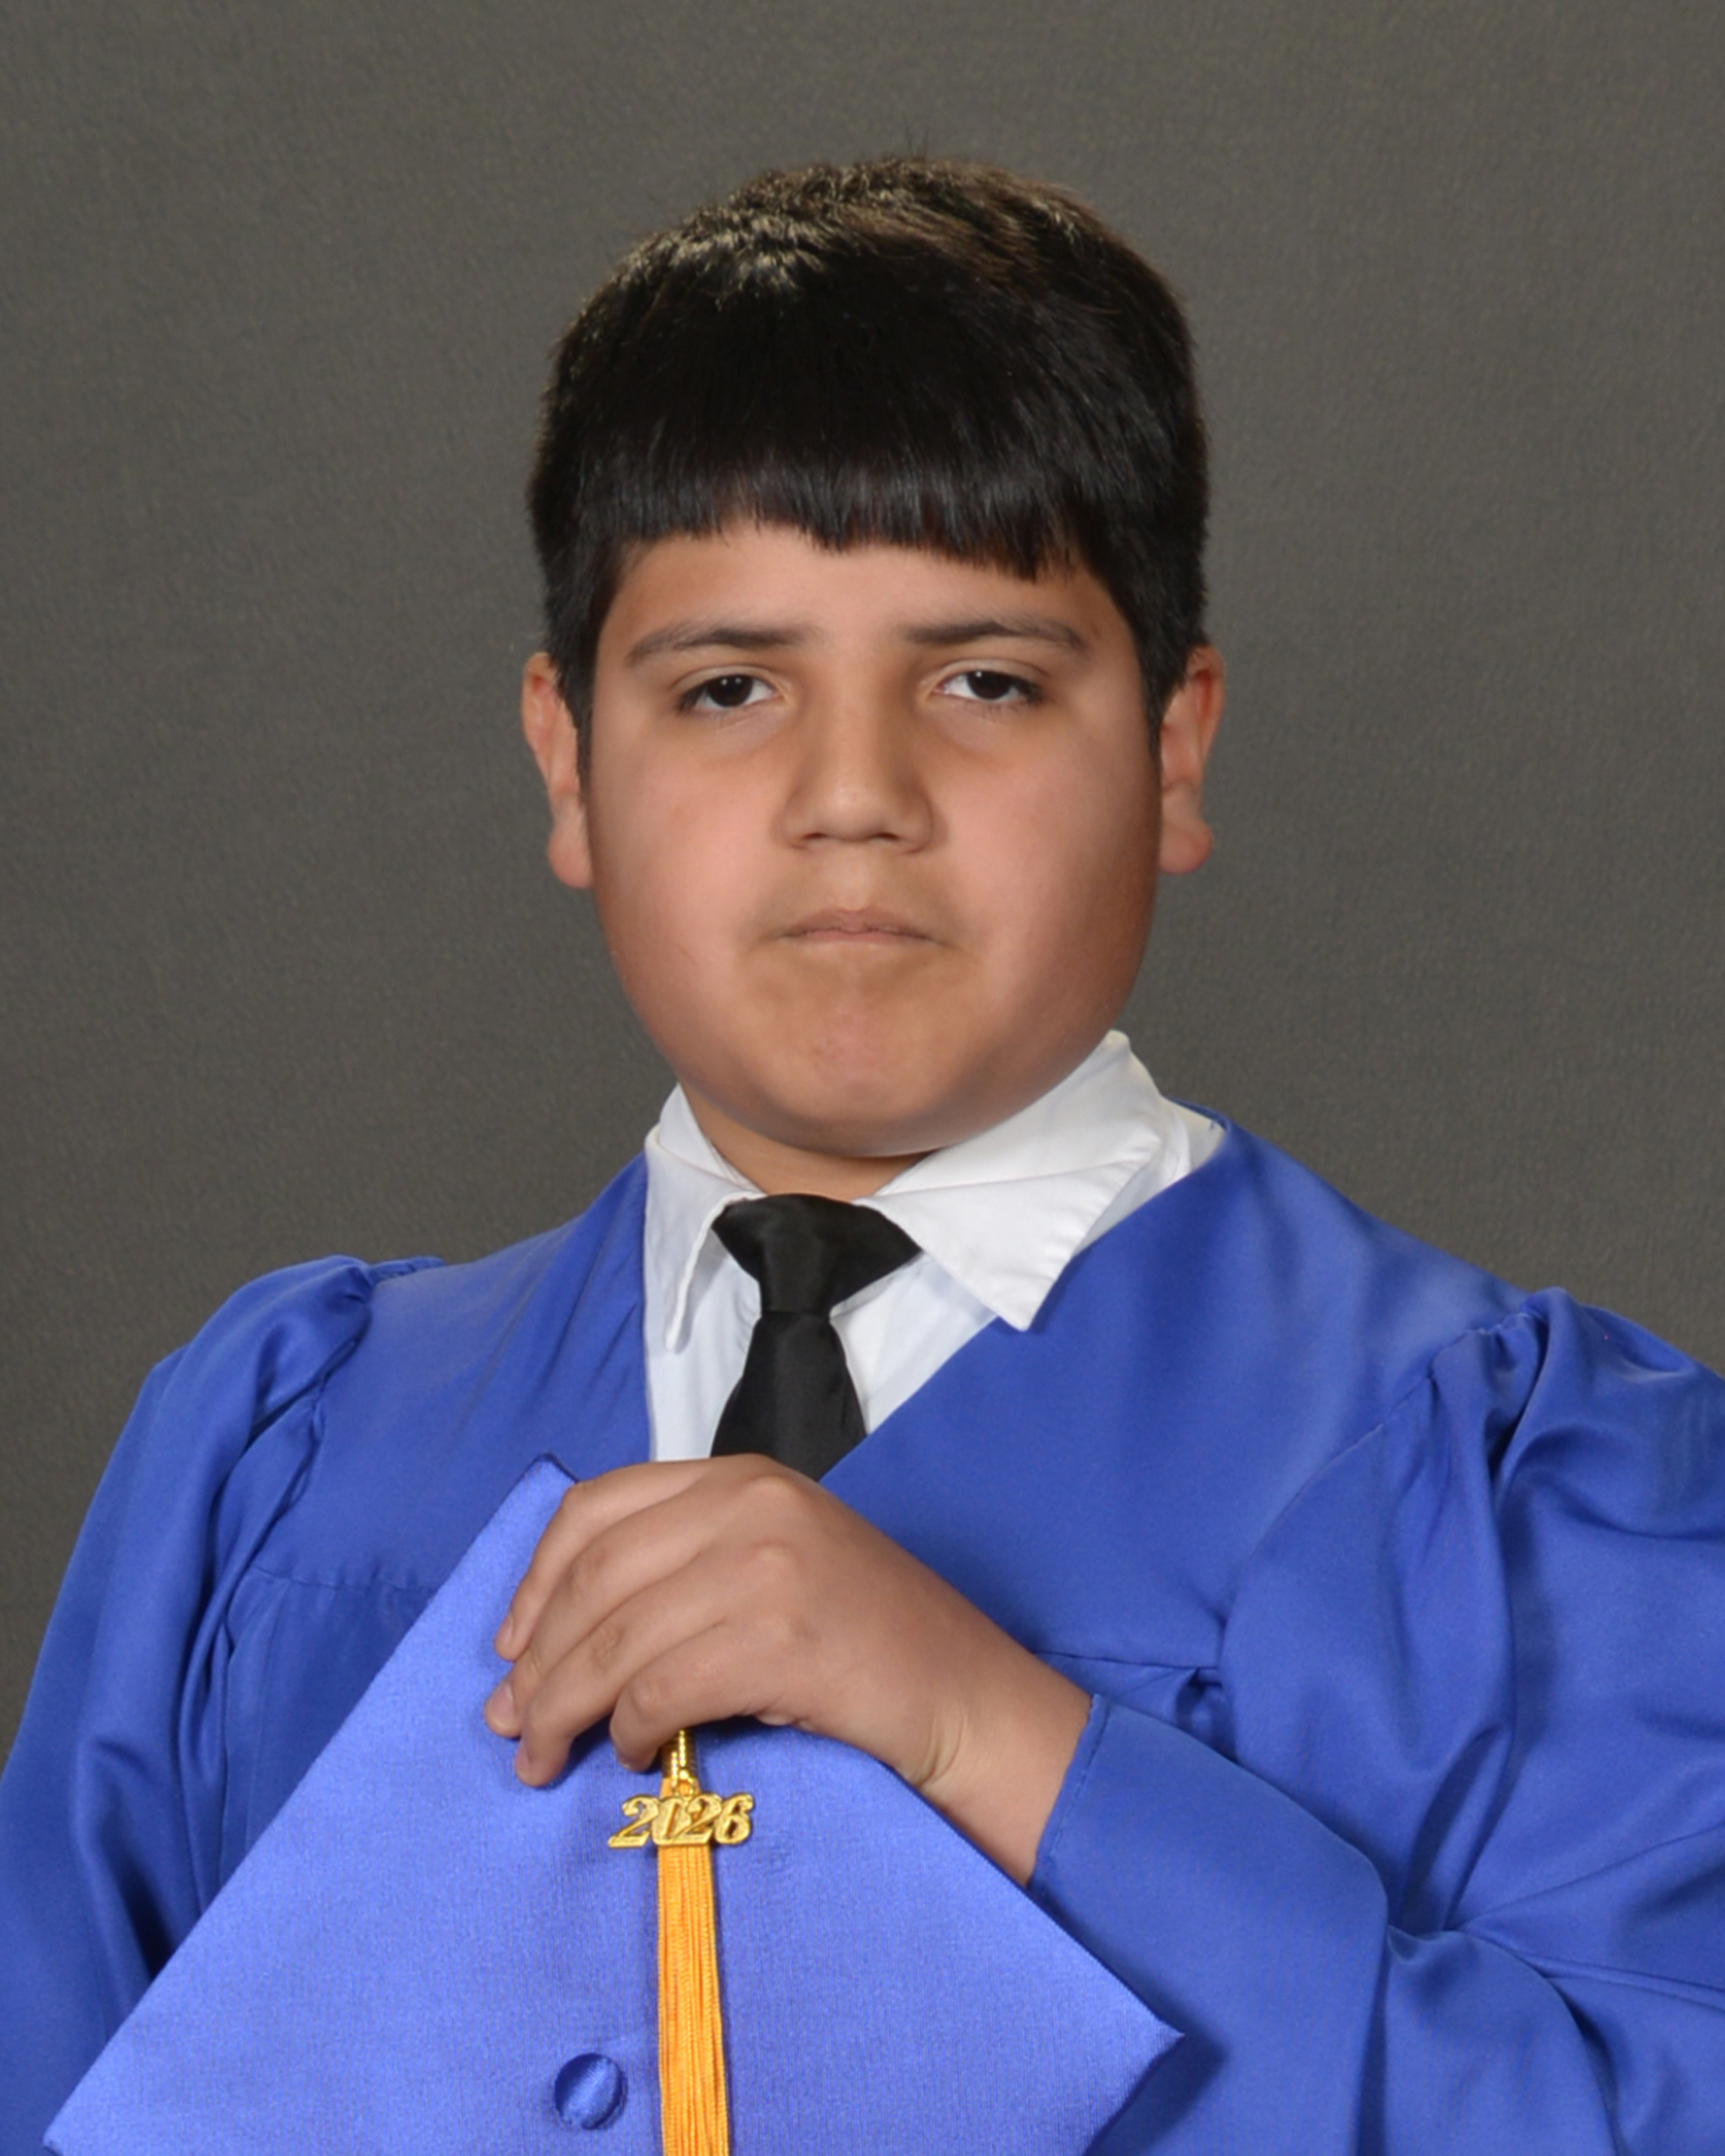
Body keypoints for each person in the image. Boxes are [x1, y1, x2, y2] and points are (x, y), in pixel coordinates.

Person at [3, 157, 1723, 2153]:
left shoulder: (1517, 1491)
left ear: (1174, 746)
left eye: (985, 681)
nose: (853, 797)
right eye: (729, 689)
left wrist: (996, 1737)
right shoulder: (278, 1464)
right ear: (568, 761)